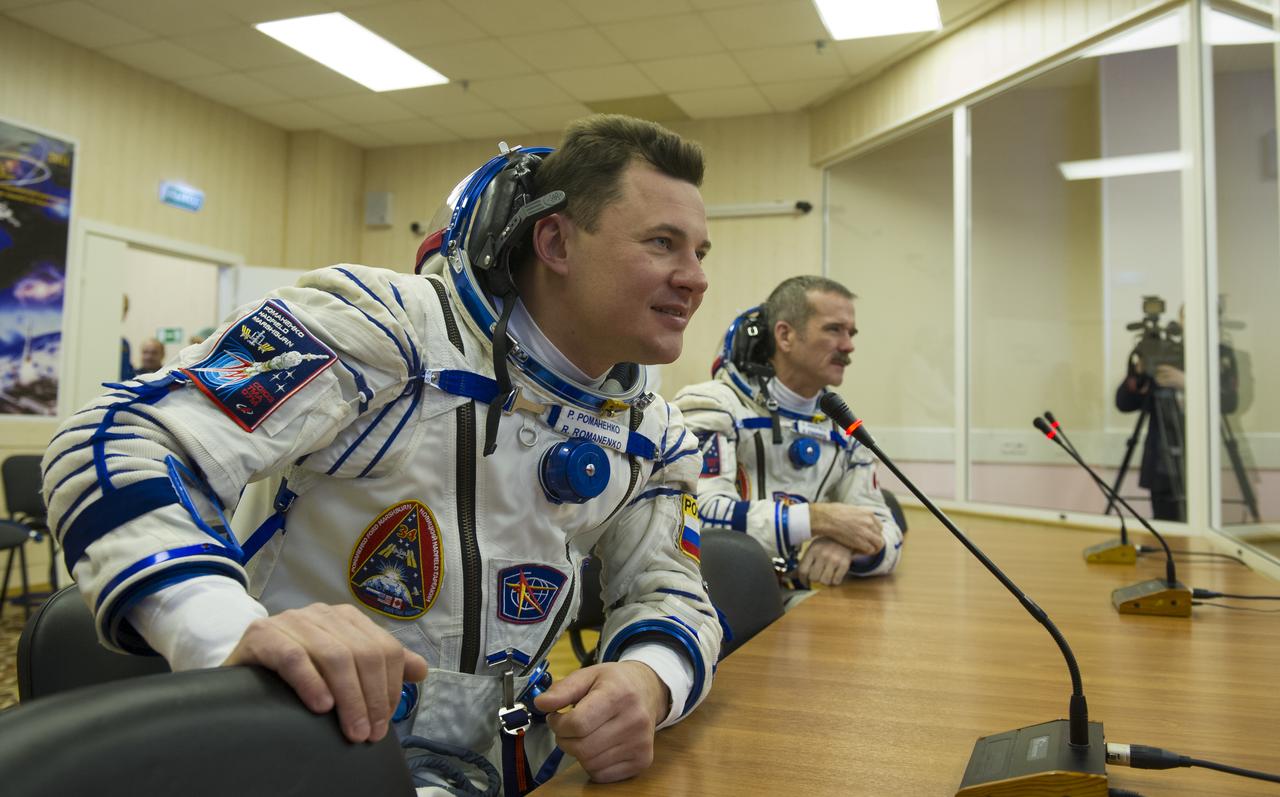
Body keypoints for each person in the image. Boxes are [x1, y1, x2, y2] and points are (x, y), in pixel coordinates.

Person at [42, 115, 720, 794]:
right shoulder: (391, 332)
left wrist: (650, 678)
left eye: (700, 253)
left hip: (511, 765)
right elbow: (119, 436)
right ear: (555, 241)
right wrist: (220, 625)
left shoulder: (652, 432)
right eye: (663, 243)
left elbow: (672, 592)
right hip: (305, 749)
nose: (694, 279)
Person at [673, 276, 903, 594]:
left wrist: (851, 547)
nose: (849, 345)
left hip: (804, 601)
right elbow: (695, 517)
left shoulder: (843, 428)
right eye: (834, 329)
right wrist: (816, 520)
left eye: (851, 333)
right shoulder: (713, 406)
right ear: (785, 335)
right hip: (716, 601)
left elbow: (885, 528)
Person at [1114, 306, 1238, 521]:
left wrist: (1188, 383)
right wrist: (1139, 373)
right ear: (1180, 321)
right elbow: (1124, 403)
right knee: (1166, 529)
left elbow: (1229, 403)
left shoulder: (1220, 355)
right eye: (1188, 316)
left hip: (1203, 459)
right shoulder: (1161, 352)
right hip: (1162, 463)